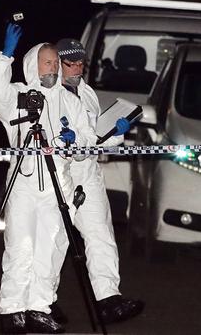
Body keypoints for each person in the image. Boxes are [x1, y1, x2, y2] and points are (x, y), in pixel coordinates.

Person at [0, 24, 95, 334]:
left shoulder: (70, 101)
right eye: (47, 62)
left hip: (59, 184)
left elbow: (87, 141)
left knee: (51, 249)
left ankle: (39, 307)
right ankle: (13, 311)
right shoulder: (18, 95)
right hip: (24, 183)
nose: (54, 67)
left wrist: (75, 140)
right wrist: (5, 55)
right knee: (21, 247)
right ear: (33, 64)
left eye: (56, 62)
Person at [54, 38, 145, 324]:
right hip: (59, 173)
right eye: (71, 63)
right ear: (57, 64)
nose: (77, 68)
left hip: (88, 173)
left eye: (81, 63)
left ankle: (108, 299)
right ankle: (42, 301)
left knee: (101, 236)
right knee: (54, 241)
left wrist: (116, 134)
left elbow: (94, 139)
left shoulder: (88, 93)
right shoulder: (47, 95)